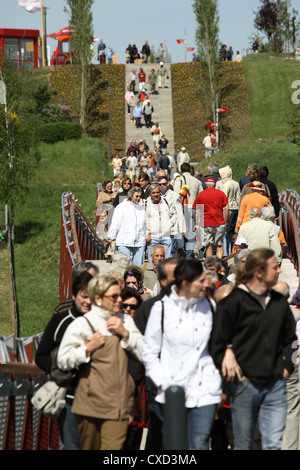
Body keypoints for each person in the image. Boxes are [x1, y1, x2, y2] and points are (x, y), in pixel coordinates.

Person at [210, 248, 297, 450]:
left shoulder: (279, 303)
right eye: (275, 267)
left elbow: (291, 340)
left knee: (273, 444)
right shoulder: (233, 303)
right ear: (259, 272)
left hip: (275, 385)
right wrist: (227, 354)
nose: (279, 271)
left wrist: (287, 367)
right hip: (243, 387)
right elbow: (216, 343)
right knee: (244, 444)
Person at [57, 274, 144, 450]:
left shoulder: (125, 321)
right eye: (114, 296)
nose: (120, 300)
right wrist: (88, 349)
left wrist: (125, 335)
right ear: (97, 298)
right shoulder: (83, 323)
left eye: (120, 295)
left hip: (118, 407)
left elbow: (146, 353)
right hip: (89, 406)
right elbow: (63, 360)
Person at [142, 258, 222, 450]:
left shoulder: (210, 307)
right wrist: (163, 381)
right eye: (201, 281)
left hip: (205, 391)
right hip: (172, 392)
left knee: (199, 443)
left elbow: (220, 345)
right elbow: (149, 352)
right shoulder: (161, 309)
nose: (207, 283)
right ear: (185, 283)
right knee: (176, 447)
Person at [35, 271, 94, 449]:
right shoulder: (61, 320)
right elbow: (41, 356)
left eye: (92, 297)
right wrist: (62, 370)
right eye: (84, 296)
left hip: (101, 398)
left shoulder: (103, 322)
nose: (88, 302)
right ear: (74, 296)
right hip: (70, 399)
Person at [273, 281, 300, 451]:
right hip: (289, 366)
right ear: (288, 297)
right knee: (291, 410)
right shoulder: (295, 315)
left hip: (264, 366)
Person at [107, 186, 146, 267]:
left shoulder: (141, 208)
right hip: (124, 241)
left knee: (138, 267)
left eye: (140, 196)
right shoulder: (121, 207)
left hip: (139, 242)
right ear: (131, 196)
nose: (138, 198)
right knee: (123, 266)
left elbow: (144, 224)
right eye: (136, 196)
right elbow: (115, 223)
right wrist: (111, 236)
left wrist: (146, 235)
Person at [193, 177, 229, 259]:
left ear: (205, 185)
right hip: (219, 223)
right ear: (215, 184)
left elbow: (197, 211)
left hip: (206, 223)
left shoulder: (201, 195)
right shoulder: (221, 194)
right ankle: (218, 264)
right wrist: (225, 221)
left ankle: (210, 266)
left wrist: (196, 224)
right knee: (219, 246)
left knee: (208, 246)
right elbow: (226, 208)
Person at [145, 183, 177, 259]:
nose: (156, 194)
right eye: (153, 193)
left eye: (157, 192)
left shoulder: (166, 202)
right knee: (152, 262)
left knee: (166, 261)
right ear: (150, 194)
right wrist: (146, 233)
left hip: (166, 236)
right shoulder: (146, 204)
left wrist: (169, 224)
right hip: (152, 237)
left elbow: (174, 215)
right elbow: (142, 221)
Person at [158, 175, 186, 258]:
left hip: (171, 228)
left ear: (168, 184)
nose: (162, 186)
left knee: (171, 251)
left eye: (163, 184)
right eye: (160, 184)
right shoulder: (155, 195)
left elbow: (179, 213)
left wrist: (182, 229)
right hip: (158, 229)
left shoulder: (174, 196)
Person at [216, 166, 241, 256]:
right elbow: (238, 198)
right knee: (231, 232)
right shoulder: (236, 183)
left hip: (227, 209)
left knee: (224, 231)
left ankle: (225, 253)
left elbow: (223, 198)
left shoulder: (226, 184)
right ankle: (231, 250)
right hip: (235, 209)